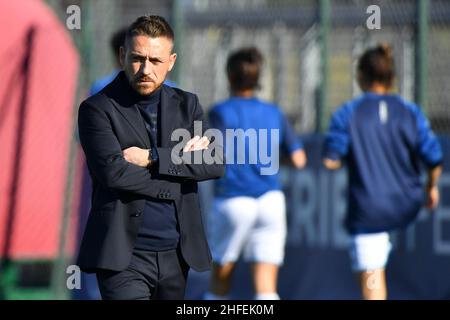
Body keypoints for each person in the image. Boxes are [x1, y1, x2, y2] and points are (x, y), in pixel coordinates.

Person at [76, 15, 224, 300]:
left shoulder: (188, 105)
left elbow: (214, 162)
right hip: (123, 257)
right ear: (122, 55)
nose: (145, 69)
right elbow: (114, 174)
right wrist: (179, 172)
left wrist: (153, 157)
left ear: (171, 61)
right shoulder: (96, 109)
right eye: (137, 58)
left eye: (155, 61)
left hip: (177, 255)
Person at [322, 44, 443, 300]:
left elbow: (331, 159)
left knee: (372, 283)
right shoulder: (410, 111)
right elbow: (434, 159)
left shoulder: (348, 112)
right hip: (408, 205)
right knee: (368, 272)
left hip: (371, 212)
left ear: (361, 76)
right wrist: (430, 188)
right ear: (392, 77)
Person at [204, 47, 307, 300]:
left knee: (221, 278)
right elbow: (299, 159)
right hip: (270, 202)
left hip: (233, 200)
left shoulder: (220, 112)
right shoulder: (274, 112)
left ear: (229, 75)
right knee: (266, 287)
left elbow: (210, 155)